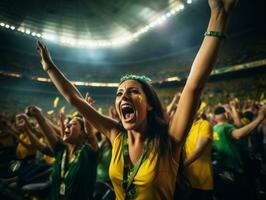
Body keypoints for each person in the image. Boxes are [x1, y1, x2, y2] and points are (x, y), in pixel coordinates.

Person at [35, 0, 237, 199]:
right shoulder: (116, 135)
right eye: (119, 93)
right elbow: (75, 99)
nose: (124, 96)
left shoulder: (169, 140)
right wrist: (49, 67)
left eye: (133, 91)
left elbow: (193, 86)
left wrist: (217, 16)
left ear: (149, 104)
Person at [25, 106, 98, 200]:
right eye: (68, 123)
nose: (67, 125)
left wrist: (86, 111)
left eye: (73, 124)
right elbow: (48, 133)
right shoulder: (61, 150)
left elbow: (91, 137)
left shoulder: (87, 154)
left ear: (82, 133)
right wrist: (38, 115)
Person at [212, 105, 266, 200]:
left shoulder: (214, 129)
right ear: (226, 114)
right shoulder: (226, 127)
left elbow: (238, 125)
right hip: (235, 168)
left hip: (223, 168)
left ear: (214, 117)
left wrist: (232, 108)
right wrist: (259, 118)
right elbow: (239, 134)